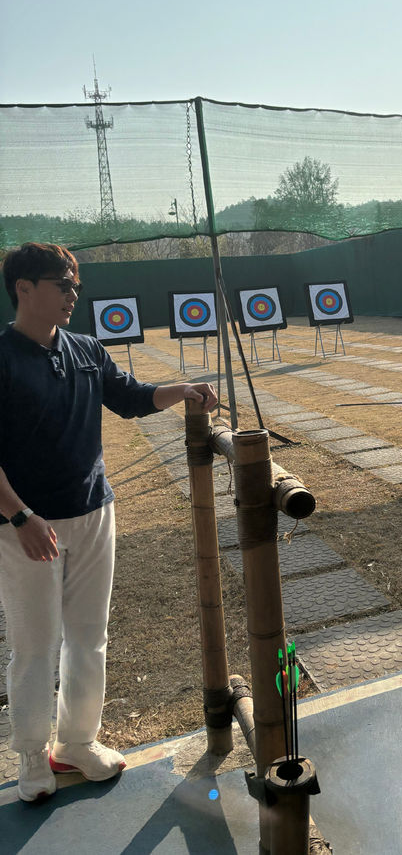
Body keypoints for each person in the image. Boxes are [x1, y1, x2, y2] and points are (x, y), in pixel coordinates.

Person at [0, 242, 218, 803]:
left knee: (89, 638)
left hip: (95, 511)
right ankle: (30, 754)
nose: (74, 294)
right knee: (34, 644)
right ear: (24, 288)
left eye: (75, 283)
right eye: (62, 284)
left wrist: (185, 390)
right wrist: (20, 515)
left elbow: (133, 398)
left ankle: (77, 743)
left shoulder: (86, 349)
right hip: (27, 525)